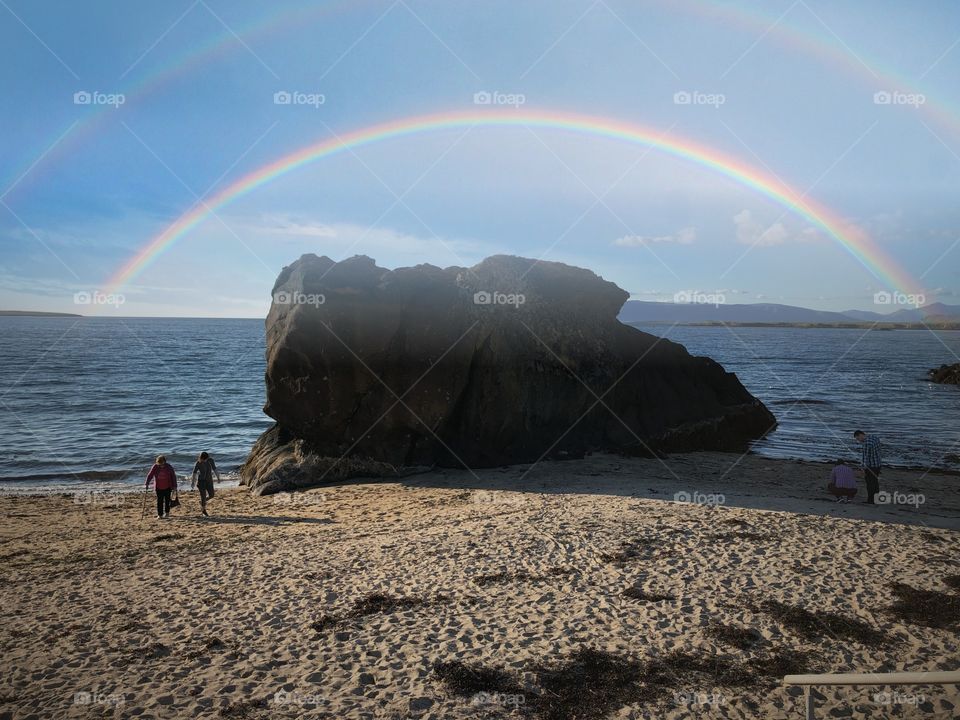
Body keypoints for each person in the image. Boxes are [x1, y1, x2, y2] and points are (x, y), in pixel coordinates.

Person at [854, 430, 882, 504]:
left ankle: (871, 500)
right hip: (878, 464)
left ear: (860, 435)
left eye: (858, 438)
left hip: (871, 466)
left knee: (870, 484)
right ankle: (876, 499)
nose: (858, 441)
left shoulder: (866, 443)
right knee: (875, 482)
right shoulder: (875, 437)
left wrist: (862, 469)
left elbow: (865, 457)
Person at [146, 455, 178, 519]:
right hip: (158, 487)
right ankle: (160, 515)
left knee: (167, 501)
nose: (161, 465)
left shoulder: (169, 467)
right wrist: (147, 483)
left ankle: (167, 513)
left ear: (164, 461)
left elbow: (173, 476)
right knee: (159, 501)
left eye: (162, 464)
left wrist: (175, 486)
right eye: (159, 464)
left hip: (168, 487)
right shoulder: (155, 466)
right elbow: (150, 475)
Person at [191, 451, 220, 517]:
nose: (204, 461)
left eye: (205, 459)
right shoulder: (198, 463)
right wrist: (193, 482)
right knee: (203, 496)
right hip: (201, 482)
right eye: (203, 459)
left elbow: (215, 469)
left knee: (212, 495)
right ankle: (203, 511)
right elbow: (194, 473)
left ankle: (202, 502)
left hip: (209, 481)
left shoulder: (211, 460)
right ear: (201, 458)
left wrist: (218, 477)